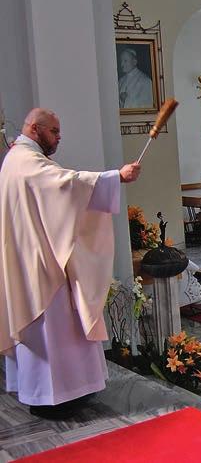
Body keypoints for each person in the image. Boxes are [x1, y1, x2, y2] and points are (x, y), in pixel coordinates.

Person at [0, 108, 141, 419]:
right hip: (41, 264)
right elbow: (65, 184)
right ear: (35, 129)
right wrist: (115, 176)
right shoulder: (26, 160)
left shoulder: (17, 158)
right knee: (53, 329)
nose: (59, 137)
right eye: (54, 131)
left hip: (33, 257)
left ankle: (63, 392)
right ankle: (54, 396)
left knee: (56, 329)